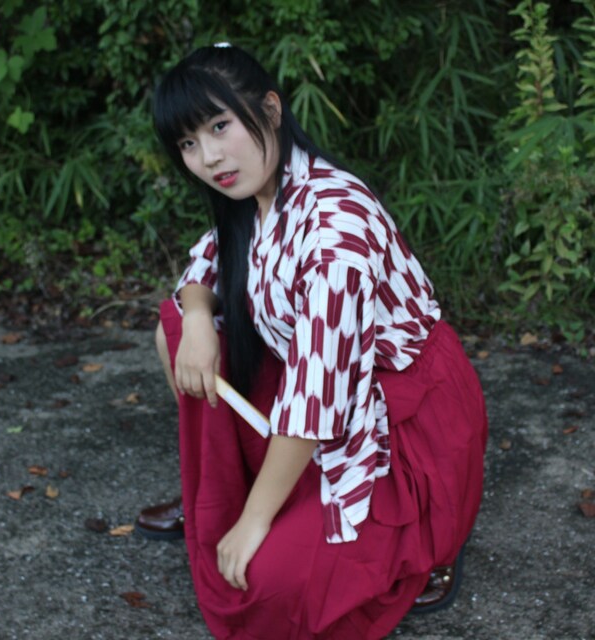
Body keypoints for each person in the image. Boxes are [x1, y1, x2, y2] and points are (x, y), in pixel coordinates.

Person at [144, 43, 488, 639]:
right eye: (189, 143)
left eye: (220, 126)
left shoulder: (335, 227)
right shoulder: (256, 191)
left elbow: (318, 400)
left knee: (265, 585)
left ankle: (427, 540)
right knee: (175, 329)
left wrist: (254, 522)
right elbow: (204, 267)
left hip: (399, 417)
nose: (209, 157)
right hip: (320, 392)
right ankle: (214, 490)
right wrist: (197, 320)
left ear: (271, 109)